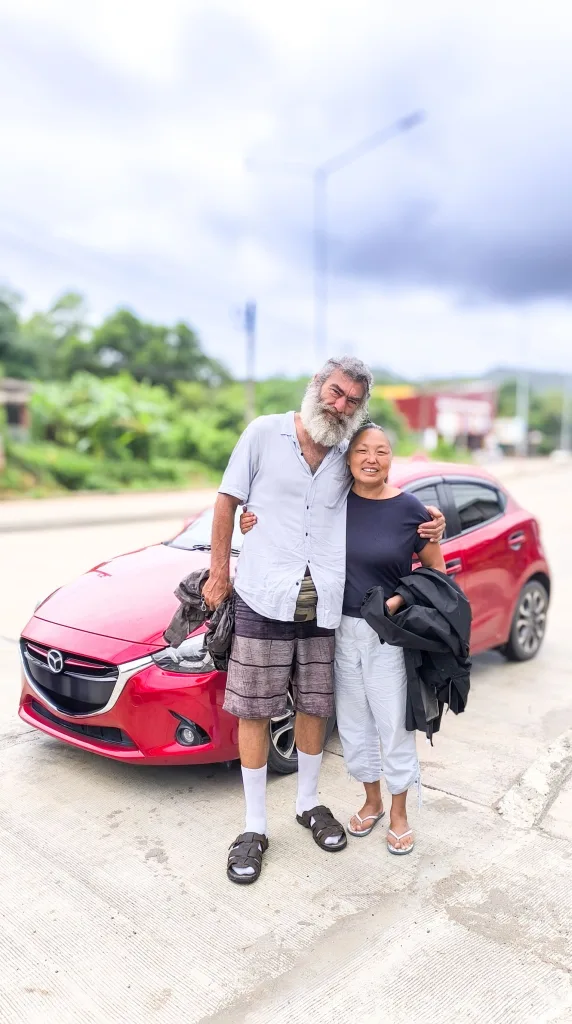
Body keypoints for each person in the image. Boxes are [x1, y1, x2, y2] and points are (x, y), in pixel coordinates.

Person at [202, 358, 445, 884]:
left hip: (325, 607)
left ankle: (308, 803)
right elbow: (227, 502)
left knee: (315, 706)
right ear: (316, 385)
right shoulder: (263, 433)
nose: (339, 405)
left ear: (360, 408)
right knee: (255, 711)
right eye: (335, 392)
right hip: (264, 597)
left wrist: (430, 525)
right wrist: (219, 570)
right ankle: (254, 826)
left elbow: (382, 502)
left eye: (352, 400)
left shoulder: (346, 451)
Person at [240, 422, 447, 857]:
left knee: (393, 724)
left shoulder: (411, 510)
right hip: (336, 628)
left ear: (391, 459)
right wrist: (251, 518)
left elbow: (436, 575)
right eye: (362, 450)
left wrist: (397, 601)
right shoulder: (333, 502)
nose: (371, 459)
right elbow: (286, 517)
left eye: (382, 451)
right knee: (353, 725)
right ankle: (371, 801)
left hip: (388, 635)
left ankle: (399, 813)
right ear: (346, 458)